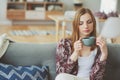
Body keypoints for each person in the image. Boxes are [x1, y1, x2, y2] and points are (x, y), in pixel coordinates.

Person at [55, 8, 108, 80]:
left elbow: (98, 78)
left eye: (89, 22)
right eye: (81, 23)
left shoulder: (99, 45)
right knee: (61, 77)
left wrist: (104, 55)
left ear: (93, 24)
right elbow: (60, 72)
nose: (86, 26)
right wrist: (75, 53)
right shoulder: (64, 43)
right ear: (76, 25)